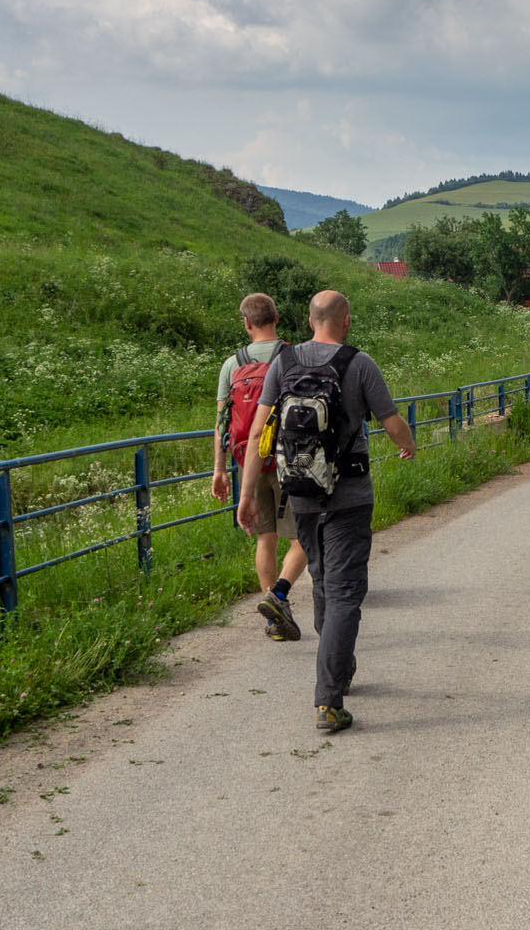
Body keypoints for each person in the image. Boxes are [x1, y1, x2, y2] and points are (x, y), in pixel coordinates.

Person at [239, 289, 417, 733]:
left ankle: (337, 667)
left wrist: (245, 495)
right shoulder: (360, 364)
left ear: (309, 320)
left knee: (323, 579)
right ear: (347, 321)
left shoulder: (284, 362)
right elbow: (392, 421)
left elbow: (259, 428)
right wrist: (406, 446)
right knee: (344, 592)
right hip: (350, 495)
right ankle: (329, 700)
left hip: (299, 493)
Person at [214, 293, 307, 642]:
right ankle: (277, 598)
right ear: (276, 318)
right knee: (304, 538)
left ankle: (275, 621)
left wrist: (219, 469)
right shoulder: (294, 356)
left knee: (264, 538)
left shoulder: (231, 365)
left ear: (246, 322)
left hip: (247, 463)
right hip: (291, 459)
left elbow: (222, 422)